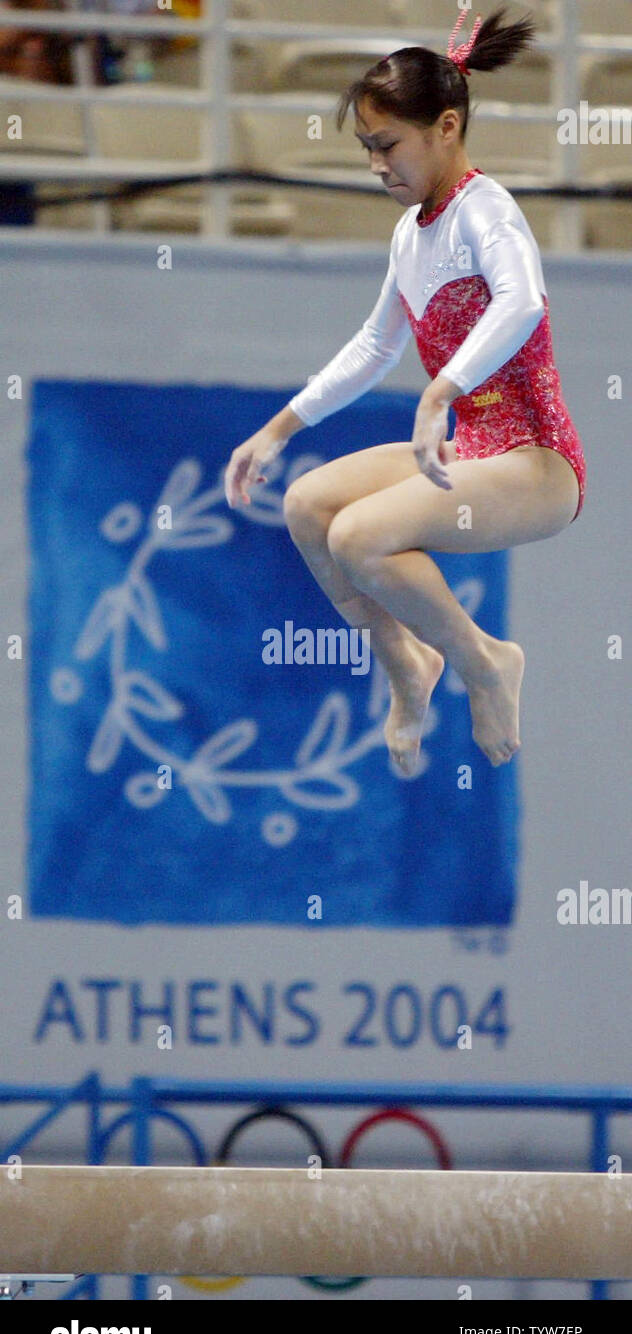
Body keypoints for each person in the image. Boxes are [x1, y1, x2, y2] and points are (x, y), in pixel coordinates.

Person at [223, 6, 587, 776]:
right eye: (367, 149)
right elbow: (375, 344)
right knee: (308, 506)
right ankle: (407, 664)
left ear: (446, 127)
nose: (378, 164)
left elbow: (522, 303)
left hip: (538, 461)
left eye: (388, 145)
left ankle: (486, 662)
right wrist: (279, 428)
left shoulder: (487, 211)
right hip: (477, 451)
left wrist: (439, 392)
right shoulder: (412, 230)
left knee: (361, 537)